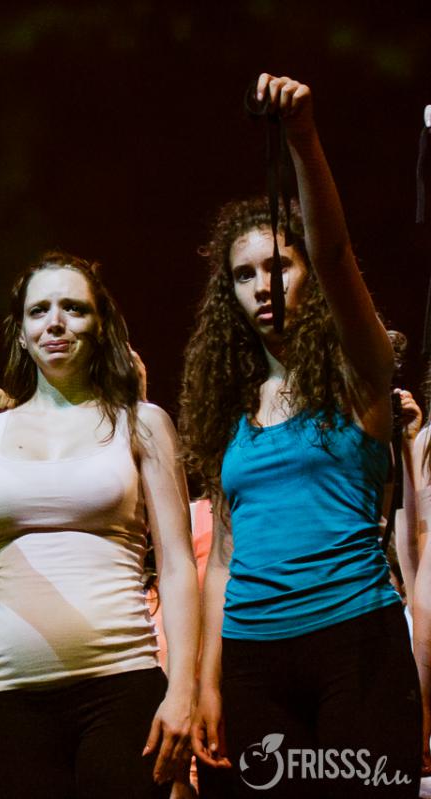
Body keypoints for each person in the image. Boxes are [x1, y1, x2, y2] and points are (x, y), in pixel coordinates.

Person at [181, 75, 421, 795]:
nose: (262, 284)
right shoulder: (231, 411)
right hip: (254, 660)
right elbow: (223, 559)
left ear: (307, 272)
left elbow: (337, 250)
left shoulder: (359, 374)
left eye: (278, 265)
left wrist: (303, 140)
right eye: (243, 274)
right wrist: (208, 684)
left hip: (356, 644)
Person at [0, 251, 199, 798]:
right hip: (17, 699)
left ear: (100, 325)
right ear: (21, 331)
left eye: (74, 308)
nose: (55, 322)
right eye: (39, 310)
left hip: (122, 685)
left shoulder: (142, 424)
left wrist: (183, 691)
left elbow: (177, 567)